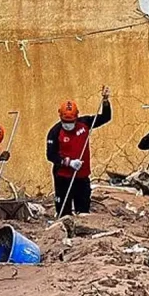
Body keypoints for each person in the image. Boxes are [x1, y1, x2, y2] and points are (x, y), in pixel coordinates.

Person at [46, 87, 112, 217]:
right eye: (65, 121)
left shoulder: (85, 123)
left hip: (82, 176)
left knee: (83, 211)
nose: (68, 125)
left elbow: (105, 117)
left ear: (77, 116)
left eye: (71, 122)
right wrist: (68, 162)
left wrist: (105, 101)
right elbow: (51, 155)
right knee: (64, 212)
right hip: (63, 177)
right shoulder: (55, 132)